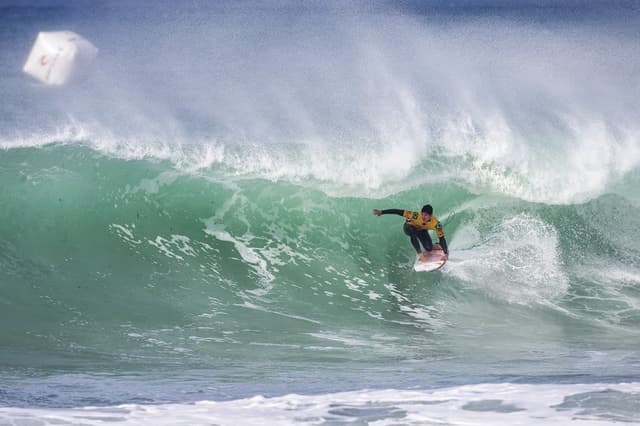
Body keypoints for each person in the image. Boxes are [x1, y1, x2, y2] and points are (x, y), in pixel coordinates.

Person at [373, 204, 448, 260]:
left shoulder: (436, 224)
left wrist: (446, 254)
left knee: (429, 248)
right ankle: (420, 255)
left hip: (421, 230)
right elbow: (398, 212)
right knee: (413, 232)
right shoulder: (416, 215)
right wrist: (382, 212)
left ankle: (434, 246)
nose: (423, 217)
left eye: (426, 215)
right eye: (422, 214)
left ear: (430, 215)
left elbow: (442, 238)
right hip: (409, 227)